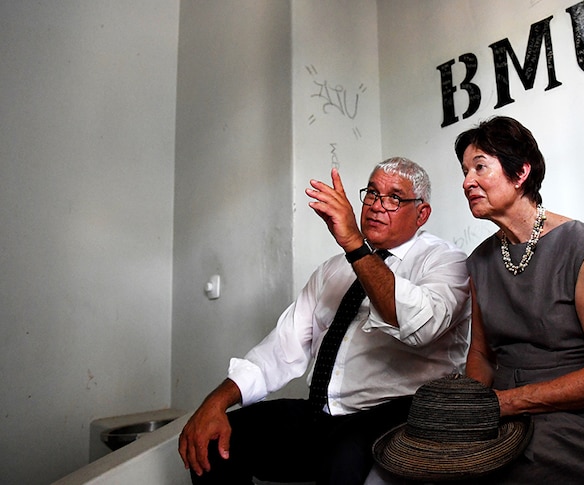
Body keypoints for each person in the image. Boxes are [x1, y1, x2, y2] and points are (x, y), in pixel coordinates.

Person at [178, 157, 471, 485]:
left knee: (341, 461)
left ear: (422, 213)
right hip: (325, 413)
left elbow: (418, 326)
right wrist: (215, 403)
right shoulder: (334, 270)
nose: (376, 206)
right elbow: (281, 348)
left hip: (399, 414)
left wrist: (355, 246)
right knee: (218, 443)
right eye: (372, 194)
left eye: (394, 198)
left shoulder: (445, 261)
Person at [456, 116, 584, 483]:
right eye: (464, 171)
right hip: (501, 411)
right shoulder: (479, 261)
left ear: (521, 173)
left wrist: (509, 402)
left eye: (479, 167)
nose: (466, 182)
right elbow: (482, 355)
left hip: (575, 416)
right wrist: (470, 415)